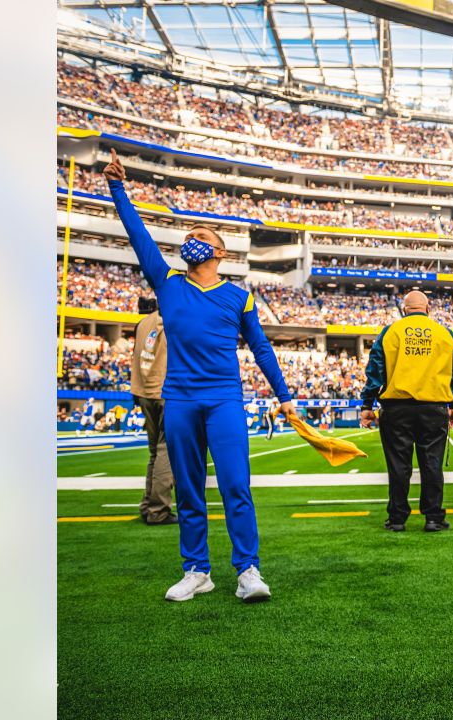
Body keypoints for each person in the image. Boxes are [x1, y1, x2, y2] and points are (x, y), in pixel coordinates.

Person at [105, 148, 294, 603]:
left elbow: (262, 348)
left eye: (201, 234)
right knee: (189, 489)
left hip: (225, 399)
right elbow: (137, 235)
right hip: (181, 400)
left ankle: (248, 569)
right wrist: (116, 187)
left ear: (219, 252)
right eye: (189, 234)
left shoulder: (239, 297)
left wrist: (284, 395)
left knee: (235, 485)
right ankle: (197, 570)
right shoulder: (168, 283)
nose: (191, 238)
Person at [360, 290, 453, 533]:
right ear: (428, 309)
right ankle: (433, 518)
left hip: (396, 408)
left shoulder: (390, 332)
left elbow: (375, 371)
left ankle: (397, 518)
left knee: (398, 466)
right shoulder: (446, 335)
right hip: (434, 406)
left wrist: (367, 405)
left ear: (404, 310)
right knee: (432, 463)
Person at [130, 295, 176, 526]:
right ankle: (158, 510)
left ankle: (148, 506)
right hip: (166, 391)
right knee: (167, 451)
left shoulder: (144, 322)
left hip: (144, 390)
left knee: (154, 452)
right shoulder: (173, 322)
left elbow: (136, 355)